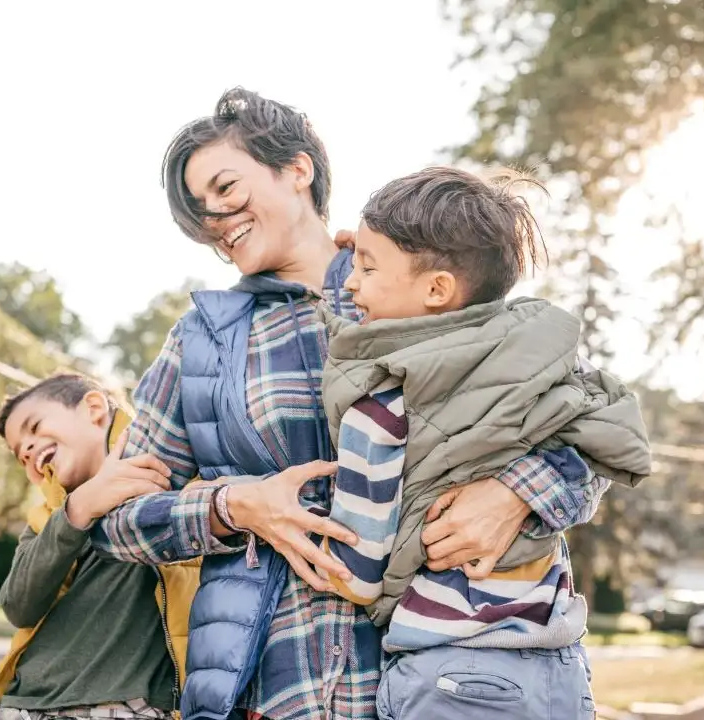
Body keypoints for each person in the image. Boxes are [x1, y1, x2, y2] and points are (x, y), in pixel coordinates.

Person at [65, 87, 614, 720]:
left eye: (225, 187)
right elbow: (119, 518)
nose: (213, 218)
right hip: (277, 686)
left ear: (297, 169)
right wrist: (234, 504)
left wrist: (515, 494)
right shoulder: (201, 342)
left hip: (463, 677)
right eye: (199, 210)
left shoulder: (426, 270)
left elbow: (593, 426)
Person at [319, 166, 652, 719]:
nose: (352, 283)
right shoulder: (546, 357)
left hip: (451, 669)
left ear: (436, 289)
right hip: (558, 660)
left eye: (367, 268)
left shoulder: (380, 403)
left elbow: (359, 568)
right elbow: (615, 437)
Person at [0, 374, 200, 720]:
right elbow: (17, 606)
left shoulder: (169, 465)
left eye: (34, 428)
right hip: (27, 705)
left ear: (94, 409)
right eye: (21, 455)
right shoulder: (46, 520)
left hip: (131, 704)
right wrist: (78, 510)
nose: (29, 450)